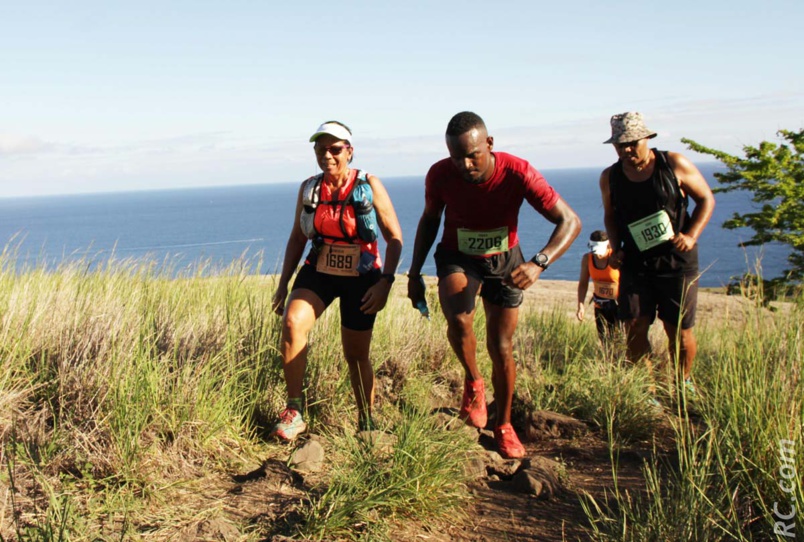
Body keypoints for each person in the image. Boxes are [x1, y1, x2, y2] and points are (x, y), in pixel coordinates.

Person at [406, 112, 581, 459]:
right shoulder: (440, 175)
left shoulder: (518, 172)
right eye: (457, 157)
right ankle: (473, 382)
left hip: (505, 260)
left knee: (501, 345)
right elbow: (429, 220)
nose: (465, 164)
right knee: (458, 319)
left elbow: (570, 221)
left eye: (473, 155)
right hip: (459, 255)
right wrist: (413, 274)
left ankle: (503, 424)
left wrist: (539, 263)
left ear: (490, 144)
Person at [271, 120, 403, 440]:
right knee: (292, 322)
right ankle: (295, 410)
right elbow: (296, 238)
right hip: (320, 268)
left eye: (334, 149)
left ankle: (366, 421)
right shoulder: (309, 188)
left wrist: (385, 283)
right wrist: (283, 284)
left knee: (355, 354)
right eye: (320, 149)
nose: (327, 156)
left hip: (362, 275)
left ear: (349, 151)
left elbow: (394, 238)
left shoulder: (369, 185)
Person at [599, 112, 715, 395]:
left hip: (677, 260)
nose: (626, 150)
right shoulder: (610, 177)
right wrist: (616, 247)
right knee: (634, 325)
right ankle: (648, 390)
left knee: (677, 328)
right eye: (620, 145)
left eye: (632, 143)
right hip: (636, 262)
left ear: (647, 139)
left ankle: (682, 383)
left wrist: (691, 236)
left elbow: (706, 199)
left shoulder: (673, 164)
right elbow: (611, 217)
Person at [576, 230, 621, 345]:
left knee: (619, 339)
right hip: (600, 305)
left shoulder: (615, 258)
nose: (598, 255)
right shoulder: (588, 259)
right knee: (604, 341)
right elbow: (583, 283)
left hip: (618, 305)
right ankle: (607, 361)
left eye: (600, 251)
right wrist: (581, 305)